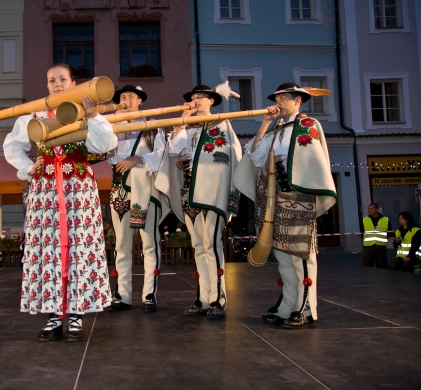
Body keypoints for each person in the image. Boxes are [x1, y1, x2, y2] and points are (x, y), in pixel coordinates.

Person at [3, 63, 117, 342]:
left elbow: (105, 144)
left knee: (79, 246)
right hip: (45, 189)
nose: (57, 84)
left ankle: (76, 315)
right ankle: (54, 315)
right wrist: (29, 167)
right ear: (46, 85)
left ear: (73, 83)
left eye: (62, 79)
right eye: (51, 80)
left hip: (77, 186)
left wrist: (94, 116)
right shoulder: (34, 113)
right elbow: (11, 145)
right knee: (48, 247)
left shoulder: (84, 110)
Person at [234, 83, 336, 329]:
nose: (278, 103)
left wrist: (282, 160)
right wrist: (265, 123)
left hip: (298, 197)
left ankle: (306, 307)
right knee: (282, 256)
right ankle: (288, 304)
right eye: (277, 98)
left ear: (297, 101)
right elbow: (256, 156)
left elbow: (309, 158)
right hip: (275, 198)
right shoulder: (276, 127)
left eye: (284, 99)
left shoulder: (308, 125)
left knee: (301, 255)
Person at [156, 85, 242, 319]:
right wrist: (182, 122)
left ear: (211, 101)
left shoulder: (222, 123)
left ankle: (218, 299)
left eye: (201, 98)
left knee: (212, 245)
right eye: (193, 98)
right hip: (189, 194)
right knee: (198, 247)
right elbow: (174, 149)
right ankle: (203, 298)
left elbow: (227, 157)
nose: (196, 101)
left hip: (211, 193)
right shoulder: (188, 127)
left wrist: (193, 159)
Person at [106, 85, 167, 313]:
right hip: (119, 189)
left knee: (149, 243)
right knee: (121, 245)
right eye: (123, 97)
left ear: (140, 100)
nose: (127, 100)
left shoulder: (152, 124)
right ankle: (122, 294)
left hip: (145, 190)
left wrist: (137, 159)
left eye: (131, 96)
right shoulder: (112, 126)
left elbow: (160, 154)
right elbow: (100, 149)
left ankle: (149, 293)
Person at [361, 203, 392, 268]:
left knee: (382, 266)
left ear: (377, 209)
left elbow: (389, 232)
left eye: (371, 209)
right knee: (366, 265)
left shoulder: (385, 219)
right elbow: (362, 232)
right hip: (369, 246)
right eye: (368, 209)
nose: (369, 210)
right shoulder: (365, 219)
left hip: (381, 247)